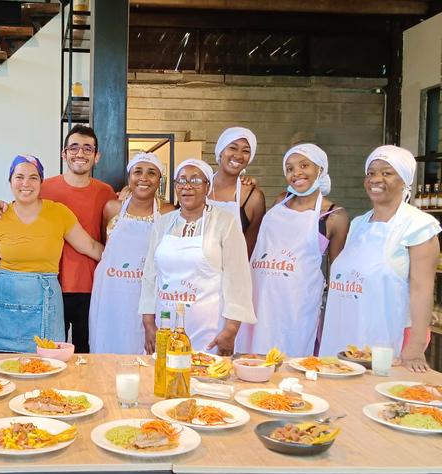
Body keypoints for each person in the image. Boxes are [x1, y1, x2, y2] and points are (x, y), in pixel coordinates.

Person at [323, 147, 440, 474]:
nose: (377, 178)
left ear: (406, 181)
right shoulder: (359, 224)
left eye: (388, 172)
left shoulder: (418, 226)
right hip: (349, 335)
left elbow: (422, 288)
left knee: (384, 415)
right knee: (354, 411)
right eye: (372, 171)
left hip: (386, 336)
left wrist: (416, 346)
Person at [0, 125, 116, 353]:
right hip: (52, 284)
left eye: (88, 149)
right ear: (64, 153)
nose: (80, 154)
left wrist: (125, 266)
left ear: (96, 156)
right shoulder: (42, 187)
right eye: (74, 147)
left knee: (82, 354)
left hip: (89, 285)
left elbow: (97, 242)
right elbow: (16, 210)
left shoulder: (106, 193)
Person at [234, 144, 349, 357]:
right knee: (250, 357)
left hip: (296, 304)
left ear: (320, 169)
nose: (296, 173)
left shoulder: (334, 216)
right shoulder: (280, 201)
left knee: (290, 363)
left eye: (304, 165)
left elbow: (339, 270)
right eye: (289, 168)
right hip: (259, 295)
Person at [139, 158, 256, 356]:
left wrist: (231, 330)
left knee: (204, 382)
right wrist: (149, 323)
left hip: (210, 331)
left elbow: (239, 280)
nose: (187, 187)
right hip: (165, 328)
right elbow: (150, 276)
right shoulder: (163, 223)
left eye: (195, 181)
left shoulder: (225, 222)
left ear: (207, 187)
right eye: (181, 181)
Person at [88, 152, 175, 354]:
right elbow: (105, 245)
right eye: (138, 172)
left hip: (148, 296)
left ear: (159, 180)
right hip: (111, 294)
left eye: (151, 173)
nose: (144, 178)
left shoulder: (168, 212)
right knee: (108, 344)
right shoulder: (113, 208)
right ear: (129, 178)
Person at [208, 127, 266, 255]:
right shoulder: (199, 186)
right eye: (233, 148)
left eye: (245, 151)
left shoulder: (253, 198)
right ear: (220, 151)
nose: (238, 155)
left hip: (232, 271)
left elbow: (250, 251)